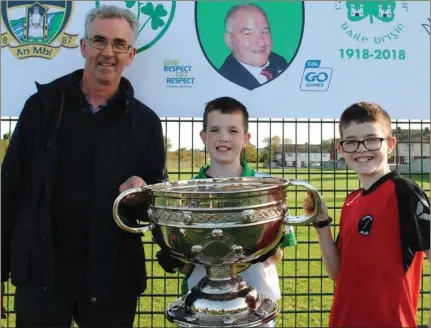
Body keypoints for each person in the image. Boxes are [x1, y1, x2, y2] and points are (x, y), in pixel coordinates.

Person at [1, 5, 166, 327]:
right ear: (83, 47)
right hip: (41, 273)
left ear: (130, 55)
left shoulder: (145, 123)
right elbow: (9, 189)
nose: (108, 52)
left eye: (119, 44)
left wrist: (141, 191)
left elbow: (155, 202)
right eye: (99, 41)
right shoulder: (41, 108)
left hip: (112, 277)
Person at [157, 96, 297, 328]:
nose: (224, 137)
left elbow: (277, 256)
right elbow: (189, 266)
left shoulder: (268, 189)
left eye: (233, 130)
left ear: (246, 139)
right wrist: (175, 259)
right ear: (204, 137)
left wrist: (260, 251)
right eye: (215, 130)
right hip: (203, 310)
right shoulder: (187, 193)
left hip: (255, 307)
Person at [305, 102, 430, 327]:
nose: (362, 149)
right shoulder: (351, 201)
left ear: (390, 144)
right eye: (352, 142)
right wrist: (321, 223)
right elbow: (338, 274)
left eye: (372, 139)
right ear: (341, 150)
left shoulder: (404, 191)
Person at [218, 4, 289, 91]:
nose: (261, 42)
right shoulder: (223, 80)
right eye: (248, 34)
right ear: (229, 40)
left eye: (265, 32)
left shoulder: (280, 62)